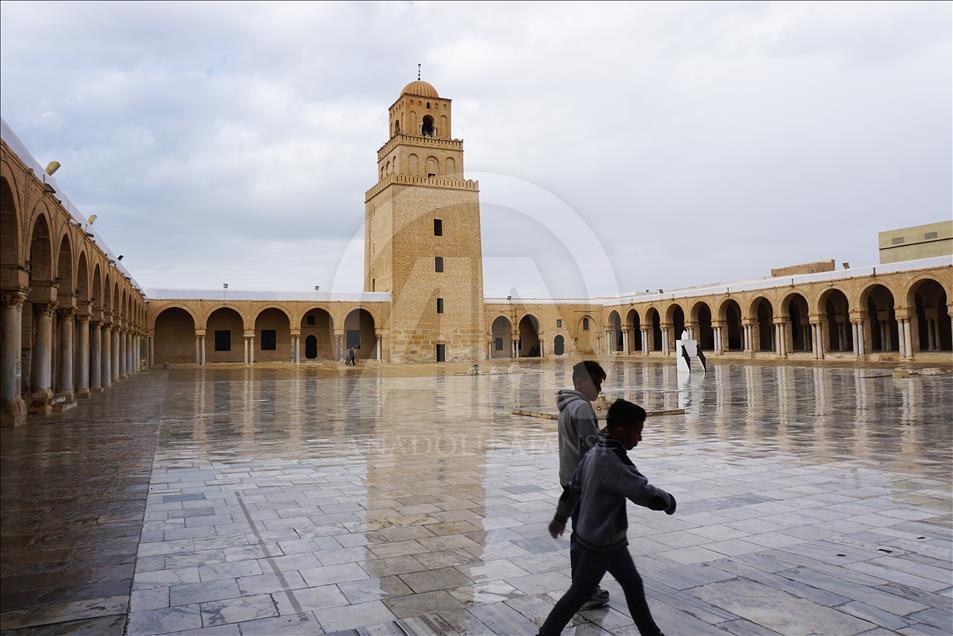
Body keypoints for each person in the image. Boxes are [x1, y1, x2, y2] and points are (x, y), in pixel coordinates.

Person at [538, 400, 676, 636]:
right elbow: (639, 490)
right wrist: (667, 501)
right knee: (579, 593)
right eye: (638, 432)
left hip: (606, 539)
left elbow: (573, 488)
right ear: (621, 430)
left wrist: (560, 518)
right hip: (600, 543)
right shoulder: (609, 459)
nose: (640, 439)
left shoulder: (597, 451)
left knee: (632, 586)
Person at [556, 360, 609, 610]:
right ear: (581, 383)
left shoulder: (568, 406)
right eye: (596, 383)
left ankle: (583, 588)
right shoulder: (582, 409)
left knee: (580, 536)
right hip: (583, 481)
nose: (599, 388)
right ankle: (585, 592)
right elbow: (593, 446)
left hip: (570, 479)